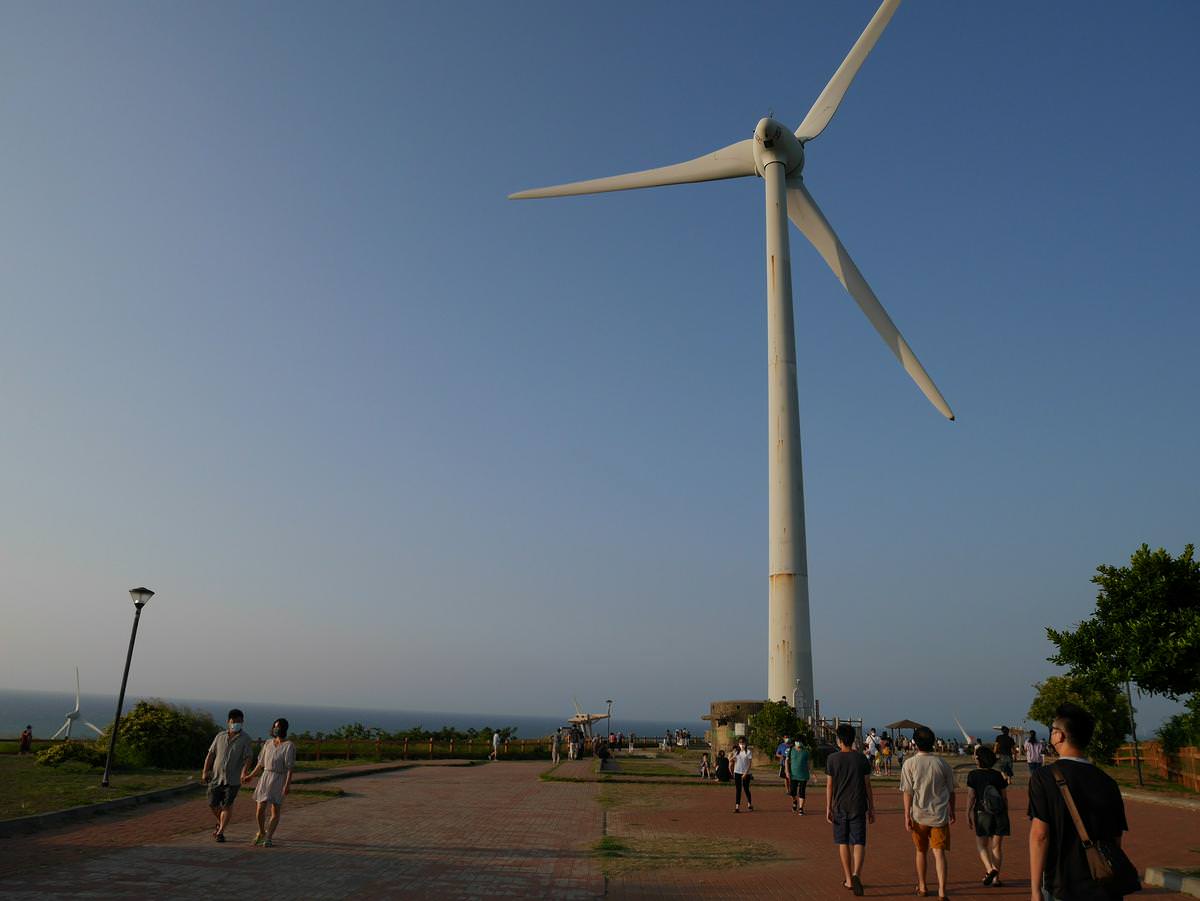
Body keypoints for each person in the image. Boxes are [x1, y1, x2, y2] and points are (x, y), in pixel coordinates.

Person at [1028, 703, 1132, 901]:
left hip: (1063, 883)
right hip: (1103, 883)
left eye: (1053, 730)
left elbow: (1040, 835)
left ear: (1060, 736)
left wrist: (1035, 890)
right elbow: (1116, 839)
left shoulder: (1044, 777)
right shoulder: (1107, 781)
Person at [900, 725, 956, 900]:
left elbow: (908, 792)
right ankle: (942, 891)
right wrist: (952, 810)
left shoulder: (909, 764)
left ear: (915, 743)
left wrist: (906, 815)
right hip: (939, 815)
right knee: (939, 853)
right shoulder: (942, 764)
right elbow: (951, 791)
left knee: (921, 851)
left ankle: (923, 886)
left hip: (919, 816)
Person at [826, 722, 874, 896]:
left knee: (843, 842)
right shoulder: (861, 758)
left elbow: (829, 786)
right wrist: (872, 808)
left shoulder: (832, 759)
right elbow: (867, 785)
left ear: (839, 740)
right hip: (859, 805)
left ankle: (848, 879)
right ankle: (856, 875)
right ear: (853, 739)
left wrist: (828, 807)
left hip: (839, 806)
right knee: (859, 842)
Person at [200, 708, 255, 843]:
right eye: (234, 721)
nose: (236, 723)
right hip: (216, 777)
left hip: (233, 779)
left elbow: (248, 757)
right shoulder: (220, 736)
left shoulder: (245, 739)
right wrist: (205, 771)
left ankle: (221, 832)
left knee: (227, 805)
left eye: (239, 721)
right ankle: (222, 822)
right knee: (212, 804)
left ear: (242, 722)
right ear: (228, 722)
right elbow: (211, 754)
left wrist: (244, 772)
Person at [242, 717, 296, 847]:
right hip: (265, 776)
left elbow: (290, 768)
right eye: (274, 726)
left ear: (284, 729)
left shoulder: (289, 746)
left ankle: (269, 837)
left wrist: (287, 785)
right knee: (260, 808)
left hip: (279, 778)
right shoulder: (268, 743)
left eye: (278, 727)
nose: (276, 729)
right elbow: (260, 763)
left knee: (275, 810)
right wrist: (250, 775)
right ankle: (261, 832)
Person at [967, 745, 1010, 887]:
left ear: (978, 759)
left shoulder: (973, 775)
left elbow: (971, 796)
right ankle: (996, 878)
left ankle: (990, 869)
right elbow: (1004, 797)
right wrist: (1005, 812)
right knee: (996, 847)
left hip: (981, 813)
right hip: (999, 813)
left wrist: (968, 812)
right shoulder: (997, 775)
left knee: (982, 845)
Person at [788, 735, 811, 815]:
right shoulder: (791, 750)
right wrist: (787, 771)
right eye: (797, 741)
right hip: (793, 775)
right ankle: (794, 801)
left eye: (799, 741)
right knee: (792, 792)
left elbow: (808, 763)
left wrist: (813, 773)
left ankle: (801, 808)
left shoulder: (806, 751)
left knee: (802, 792)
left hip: (803, 775)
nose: (798, 743)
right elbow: (787, 761)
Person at [731, 736, 754, 812]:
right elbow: (731, 760)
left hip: (746, 773)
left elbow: (750, 764)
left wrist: (745, 773)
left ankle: (749, 803)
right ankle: (737, 807)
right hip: (737, 772)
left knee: (746, 789)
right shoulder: (736, 752)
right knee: (738, 790)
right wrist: (732, 758)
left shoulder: (748, 752)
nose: (742, 744)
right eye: (740, 743)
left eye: (743, 743)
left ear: (745, 743)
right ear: (738, 743)